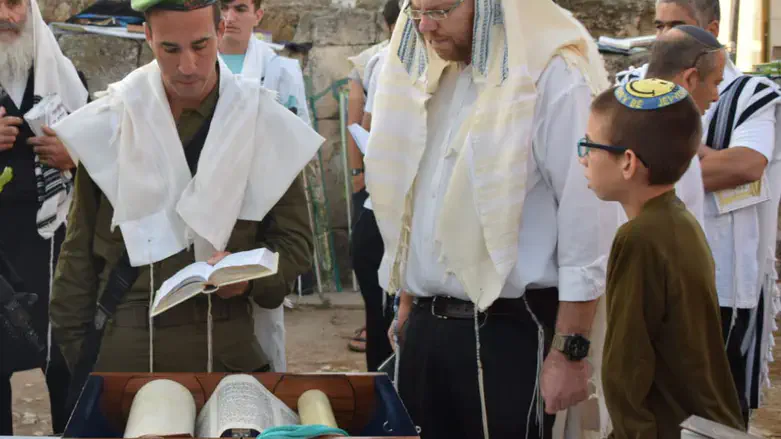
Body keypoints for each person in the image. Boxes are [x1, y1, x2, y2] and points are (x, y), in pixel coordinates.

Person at [364, 0, 621, 437]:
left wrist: (569, 351)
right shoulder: (429, 71)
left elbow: (589, 221)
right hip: (426, 330)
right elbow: (415, 199)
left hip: (511, 333)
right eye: (416, 10)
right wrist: (408, 303)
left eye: (440, 11)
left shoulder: (553, 77)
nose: (424, 26)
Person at [49, 0, 322, 378]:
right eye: (170, 49)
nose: (188, 67)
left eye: (200, 45)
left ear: (220, 30)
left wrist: (243, 280)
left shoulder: (263, 122)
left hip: (225, 348)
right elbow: (78, 254)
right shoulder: (111, 122)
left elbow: (295, 247)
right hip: (128, 350)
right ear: (148, 36)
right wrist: (79, 357)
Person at [618, 0, 781, 425]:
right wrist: (703, 155)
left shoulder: (750, 94)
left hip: (722, 279)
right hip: (640, 273)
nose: (663, 37)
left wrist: (648, 166)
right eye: (658, 25)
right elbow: (609, 167)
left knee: (713, 409)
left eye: (677, 25)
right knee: (639, 395)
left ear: (711, 28)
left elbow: (746, 165)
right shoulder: (627, 86)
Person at [580, 78, 744, 437]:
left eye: (589, 145)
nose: (583, 158)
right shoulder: (678, 221)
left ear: (627, 162)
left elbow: (626, 369)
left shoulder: (638, 237)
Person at [0, 0, 88, 433]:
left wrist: (74, 156)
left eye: (16, 4)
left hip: (51, 239)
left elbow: (103, 150)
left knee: (64, 357)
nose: (9, 17)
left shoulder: (66, 78)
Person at [217, 0, 312, 373]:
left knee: (261, 318)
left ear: (258, 14)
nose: (229, 17)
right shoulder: (194, 69)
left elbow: (298, 141)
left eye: (240, 7)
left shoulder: (281, 71)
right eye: (222, 7)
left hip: (263, 206)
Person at [347, 0, 399, 372]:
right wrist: (359, 177)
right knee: (381, 315)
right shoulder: (382, 64)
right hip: (379, 207)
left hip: (406, 215)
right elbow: (363, 124)